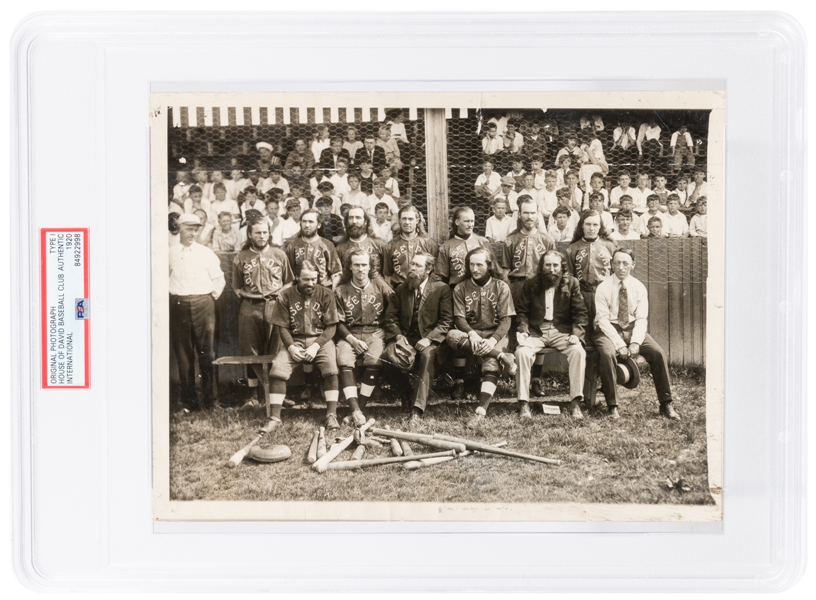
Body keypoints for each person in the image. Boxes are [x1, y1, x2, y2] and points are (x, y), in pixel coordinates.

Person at [594, 247, 680, 420]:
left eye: (625, 263)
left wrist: (635, 342)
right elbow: (602, 320)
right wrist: (619, 344)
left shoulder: (638, 287)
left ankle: (666, 403)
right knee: (607, 353)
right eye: (617, 263)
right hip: (608, 329)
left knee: (657, 353)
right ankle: (612, 406)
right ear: (611, 264)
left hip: (632, 328)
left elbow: (641, 319)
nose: (621, 267)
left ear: (633, 265)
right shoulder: (603, 288)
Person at [268, 260, 342, 430]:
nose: (310, 283)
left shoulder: (326, 294)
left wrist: (316, 346)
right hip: (295, 339)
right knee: (277, 369)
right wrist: (292, 346)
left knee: (331, 369)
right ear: (297, 277)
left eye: (313, 279)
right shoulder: (285, 295)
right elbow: (282, 326)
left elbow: (331, 326)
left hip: (320, 339)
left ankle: (331, 415)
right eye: (306, 279)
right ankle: (274, 418)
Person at [446, 248, 516, 424]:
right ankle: (502, 356)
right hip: (472, 333)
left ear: (489, 266)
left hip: (495, 334)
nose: (475, 269)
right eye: (471, 264)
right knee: (452, 336)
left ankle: (481, 410)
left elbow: (506, 321)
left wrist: (492, 340)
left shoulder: (501, 286)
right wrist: (471, 334)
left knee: (490, 366)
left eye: (479, 264)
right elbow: (459, 319)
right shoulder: (461, 287)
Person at [515, 250, 588, 419]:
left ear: (562, 267)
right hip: (536, 331)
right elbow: (522, 312)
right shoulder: (531, 283)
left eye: (555, 265)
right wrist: (524, 331)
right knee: (521, 353)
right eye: (548, 265)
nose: (552, 269)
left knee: (578, 351)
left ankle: (575, 402)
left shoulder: (572, 283)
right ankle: (523, 403)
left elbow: (580, 313)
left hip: (561, 331)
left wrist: (576, 334)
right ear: (541, 267)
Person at [384, 252, 453, 421]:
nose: (412, 268)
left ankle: (417, 409)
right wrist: (399, 337)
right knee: (389, 354)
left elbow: (446, 320)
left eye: (418, 265)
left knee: (427, 356)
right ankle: (405, 397)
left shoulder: (441, 289)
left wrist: (429, 338)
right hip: (407, 338)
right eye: (412, 264)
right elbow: (390, 317)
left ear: (428, 269)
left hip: (431, 340)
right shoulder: (401, 289)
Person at [232, 217, 295, 403]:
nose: (261, 236)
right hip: (250, 308)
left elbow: (289, 281)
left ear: (270, 234)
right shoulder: (240, 257)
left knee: (276, 351)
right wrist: (252, 299)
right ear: (250, 234)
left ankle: (277, 395)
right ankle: (253, 396)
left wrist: (277, 298)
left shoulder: (279, 254)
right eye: (257, 232)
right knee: (251, 351)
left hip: (275, 306)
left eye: (264, 232)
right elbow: (236, 287)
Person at [169, 214, 225, 410]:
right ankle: (188, 401)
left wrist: (207, 299)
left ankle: (212, 400)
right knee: (183, 356)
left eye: (195, 229)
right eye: (188, 229)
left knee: (207, 353)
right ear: (179, 229)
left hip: (204, 305)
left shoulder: (206, 253)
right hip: (179, 306)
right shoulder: (170, 253)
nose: (192, 233)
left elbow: (219, 279)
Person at [334, 250, 395, 424]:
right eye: (356, 265)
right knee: (343, 359)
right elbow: (337, 322)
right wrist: (351, 340)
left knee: (374, 360)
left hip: (374, 332)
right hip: (349, 335)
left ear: (370, 267)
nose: (361, 269)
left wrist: (385, 329)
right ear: (350, 267)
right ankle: (355, 410)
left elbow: (395, 310)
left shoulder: (380, 286)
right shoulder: (340, 290)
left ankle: (359, 408)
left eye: (364, 265)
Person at [501, 197, 555, 352]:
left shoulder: (547, 241)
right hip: (517, 286)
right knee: (515, 325)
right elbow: (505, 270)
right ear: (519, 215)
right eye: (526, 213)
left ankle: (536, 374)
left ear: (538, 214)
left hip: (540, 287)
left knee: (538, 326)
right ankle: (512, 367)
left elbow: (553, 270)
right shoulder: (510, 240)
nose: (529, 217)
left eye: (533, 213)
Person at [565, 210, 617, 337]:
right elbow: (569, 277)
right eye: (588, 224)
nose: (591, 228)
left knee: (604, 332)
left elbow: (615, 275)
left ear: (600, 226)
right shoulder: (572, 249)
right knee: (584, 331)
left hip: (605, 294)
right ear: (582, 225)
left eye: (595, 225)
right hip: (581, 294)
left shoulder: (610, 246)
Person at [435, 207, 494, 288]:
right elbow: (441, 277)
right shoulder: (446, 247)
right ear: (457, 222)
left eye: (472, 221)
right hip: (456, 292)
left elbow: (494, 269)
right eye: (466, 221)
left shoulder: (483, 242)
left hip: (482, 290)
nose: (470, 225)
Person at [383, 205, 439, 289]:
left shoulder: (429, 243)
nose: (407, 222)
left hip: (423, 289)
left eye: (410, 219)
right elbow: (387, 274)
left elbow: (436, 273)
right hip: (398, 289)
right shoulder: (390, 245)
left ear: (417, 220)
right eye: (404, 219)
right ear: (399, 221)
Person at [284, 208, 342, 289]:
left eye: (311, 222)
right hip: (300, 290)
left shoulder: (327, 245)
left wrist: (333, 293)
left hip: (322, 289)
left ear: (319, 225)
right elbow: (288, 275)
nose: (307, 225)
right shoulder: (292, 246)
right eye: (304, 221)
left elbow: (336, 273)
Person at [335, 206, 387, 277]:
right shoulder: (340, 249)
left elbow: (387, 274)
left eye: (358, 218)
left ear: (365, 222)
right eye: (350, 218)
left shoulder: (380, 245)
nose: (354, 221)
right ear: (346, 222)